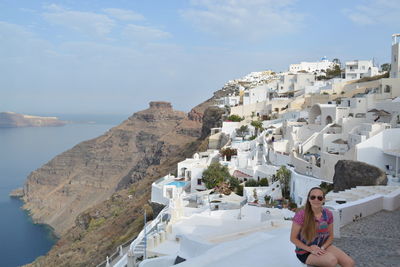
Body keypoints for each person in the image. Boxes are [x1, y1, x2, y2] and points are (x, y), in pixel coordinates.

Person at [290, 187, 355, 267]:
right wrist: (311, 249)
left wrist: (322, 248)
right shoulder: (301, 215)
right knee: (332, 260)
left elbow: (331, 236)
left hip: (322, 246)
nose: (316, 200)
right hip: (305, 251)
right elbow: (293, 238)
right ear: (309, 199)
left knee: (349, 263)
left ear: (323, 200)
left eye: (319, 198)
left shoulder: (328, 214)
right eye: (313, 197)